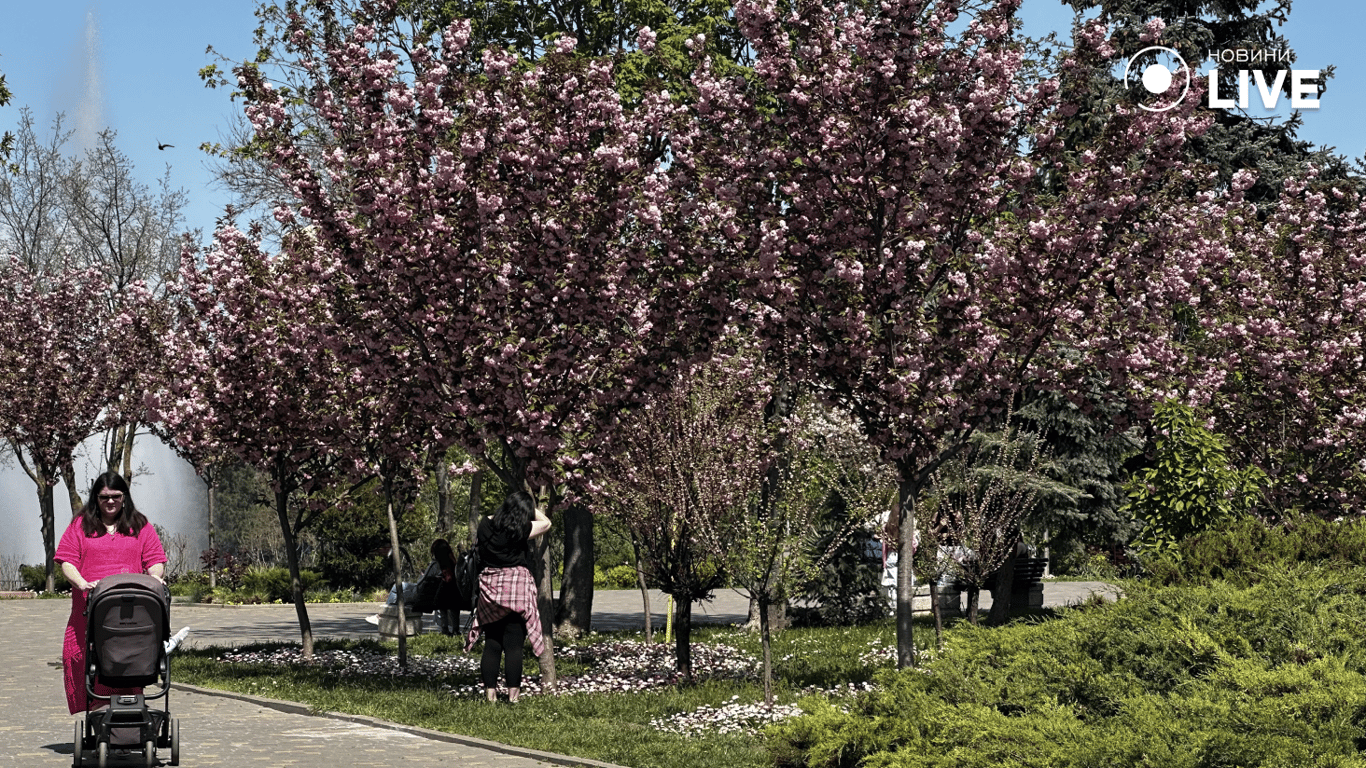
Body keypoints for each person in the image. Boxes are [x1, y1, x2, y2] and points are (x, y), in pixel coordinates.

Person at [54, 472, 168, 715]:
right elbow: (66, 560)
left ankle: (129, 709)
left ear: (124, 497)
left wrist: (155, 577)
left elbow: (155, 559)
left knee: (129, 653)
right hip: (92, 605)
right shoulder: (80, 525)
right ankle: (98, 707)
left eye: (115, 496)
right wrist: (82, 582)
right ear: (96, 498)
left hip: (131, 607)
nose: (110, 502)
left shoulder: (140, 525)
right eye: (104, 497)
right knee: (89, 657)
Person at [464, 490, 551, 703]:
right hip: (517, 588)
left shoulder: (485, 524)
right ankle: (513, 698)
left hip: (490, 588)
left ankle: (490, 696)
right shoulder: (521, 528)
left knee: (492, 643)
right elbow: (546, 523)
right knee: (514, 645)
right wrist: (531, 508)